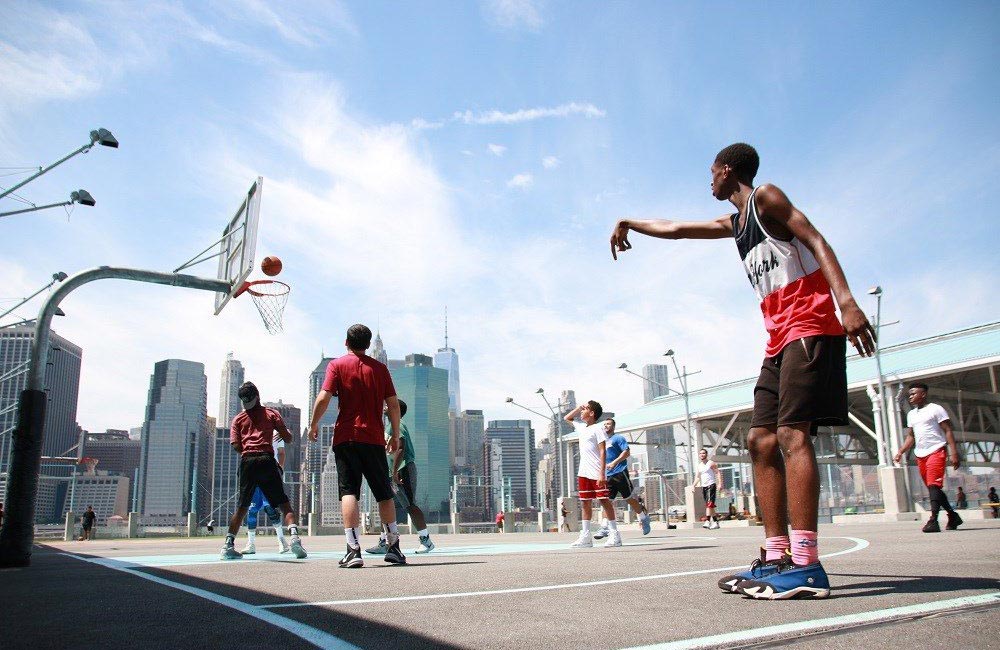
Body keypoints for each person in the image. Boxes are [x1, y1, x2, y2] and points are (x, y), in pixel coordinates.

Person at [611, 143, 876, 599]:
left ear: (727, 169)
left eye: (711, 172)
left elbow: (816, 239)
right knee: (759, 440)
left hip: (810, 326)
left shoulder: (767, 198)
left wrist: (847, 302)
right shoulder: (736, 223)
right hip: (778, 339)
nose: (708, 181)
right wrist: (630, 222)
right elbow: (675, 229)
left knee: (793, 436)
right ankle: (776, 558)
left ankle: (807, 564)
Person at [309, 324, 405, 568]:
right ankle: (393, 547)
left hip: (346, 438)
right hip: (373, 439)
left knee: (348, 491)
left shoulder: (337, 365)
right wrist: (394, 433)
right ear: (368, 343)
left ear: (346, 342)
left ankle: (353, 550)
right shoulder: (381, 369)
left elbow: (323, 398)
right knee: (384, 493)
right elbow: (393, 405)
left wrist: (313, 424)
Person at [221, 382, 306, 560]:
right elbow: (289, 438)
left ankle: (228, 545)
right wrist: (280, 434)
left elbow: (236, 445)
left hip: (247, 462)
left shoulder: (238, 419)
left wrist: (248, 447)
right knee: (284, 504)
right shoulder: (271, 414)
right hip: (267, 460)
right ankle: (295, 539)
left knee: (242, 506)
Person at [366, 400, 434, 556]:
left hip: (404, 470)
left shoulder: (398, 425)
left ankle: (426, 541)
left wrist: (395, 471)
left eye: (387, 405)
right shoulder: (390, 427)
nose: (384, 406)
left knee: (411, 505)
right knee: (387, 504)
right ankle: (385, 542)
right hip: (394, 473)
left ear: (395, 410)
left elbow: (401, 447)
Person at [894, 383, 962, 532]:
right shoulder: (911, 414)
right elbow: (911, 436)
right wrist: (901, 451)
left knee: (933, 486)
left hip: (936, 450)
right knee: (934, 488)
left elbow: (948, 430)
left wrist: (953, 452)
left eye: (913, 394)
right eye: (910, 394)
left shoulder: (936, 409)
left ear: (923, 394)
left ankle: (933, 521)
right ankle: (952, 515)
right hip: (921, 454)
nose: (910, 396)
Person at [566, 401, 620, 548]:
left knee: (604, 501)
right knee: (585, 503)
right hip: (583, 471)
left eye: (585, 409)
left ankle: (615, 535)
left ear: (592, 413)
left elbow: (603, 451)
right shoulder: (581, 427)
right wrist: (578, 408)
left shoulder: (598, 428)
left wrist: (602, 473)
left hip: (597, 472)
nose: (582, 412)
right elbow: (567, 418)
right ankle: (585, 536)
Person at [594, 419, 652, 538]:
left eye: (608, 424)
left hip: (620, 473)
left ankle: (643, 518)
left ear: (613, 426)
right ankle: (605, 527)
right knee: (606, 502)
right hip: (607, 475)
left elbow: (626, 452)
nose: (606, 426)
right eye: (604, 424)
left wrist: (615, 462)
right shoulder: (602, 441)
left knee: (629, 499)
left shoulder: (618, 438)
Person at [241, 435, 290, 554]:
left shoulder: (276, 433)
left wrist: (280, 468)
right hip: (253, 472)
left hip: (270, 473)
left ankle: (281, 540)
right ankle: (251, 544)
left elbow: (282, 452)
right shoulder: (250, 431)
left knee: (270, 508)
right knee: (252, 509)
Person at [693, 448, 724, 529]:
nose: (702, 455)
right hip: (704, 487)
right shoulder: (699, 466)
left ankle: (707, 521)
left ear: (706, 454)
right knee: (710, 506)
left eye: (703, 453)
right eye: (700, 453)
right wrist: (693, 486)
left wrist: (720, 483)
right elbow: (697, 477)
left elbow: (718, 473)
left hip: (711, 485)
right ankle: (715, 522)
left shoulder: (711, 463)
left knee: (709, 505)